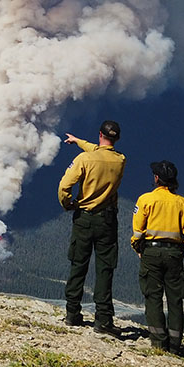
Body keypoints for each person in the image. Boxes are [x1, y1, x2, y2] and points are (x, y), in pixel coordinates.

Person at [57, 120, 125, 335]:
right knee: (105, 269)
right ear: (116, 138)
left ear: (100, 134)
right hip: (107, 221)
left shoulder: (85, 159)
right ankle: (103, 320)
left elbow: (64, 186)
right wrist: (78, 141)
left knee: (78, 263)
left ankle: (72, 313)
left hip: (84, 218)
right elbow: (101, 152)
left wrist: (67, 204)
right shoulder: (120, 160)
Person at [131, 160, 184, 352]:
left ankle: (158, 341)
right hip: (174, 253)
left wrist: (138, 248)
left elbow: (137, 230)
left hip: (151, 251)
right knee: (175, 299)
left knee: (153, 296)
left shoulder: (145, 200)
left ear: (156, 178)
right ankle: (175, 344)